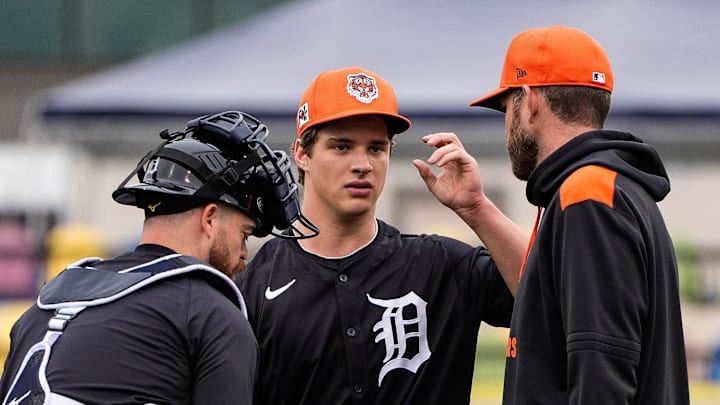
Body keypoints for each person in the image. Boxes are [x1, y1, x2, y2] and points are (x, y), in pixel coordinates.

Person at [237, 66, 528, 405]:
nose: (363, 164)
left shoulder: (440, 265)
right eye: (342, 147)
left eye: (376, 148)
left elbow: (553, 295)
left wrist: (478, 208)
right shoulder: (255, 282)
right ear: (302, 153)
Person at [0, 111, 316, 405]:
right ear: (209, 219)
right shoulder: (212, 317)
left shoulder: (45, 305)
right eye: (244, 235)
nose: (245, 255)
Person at [469, 26, 690, 404]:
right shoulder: (613, 187)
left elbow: (601, 374)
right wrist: (474, 207)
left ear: (529, 100)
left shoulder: (586, 195)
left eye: (506, 109)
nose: (506, 124)